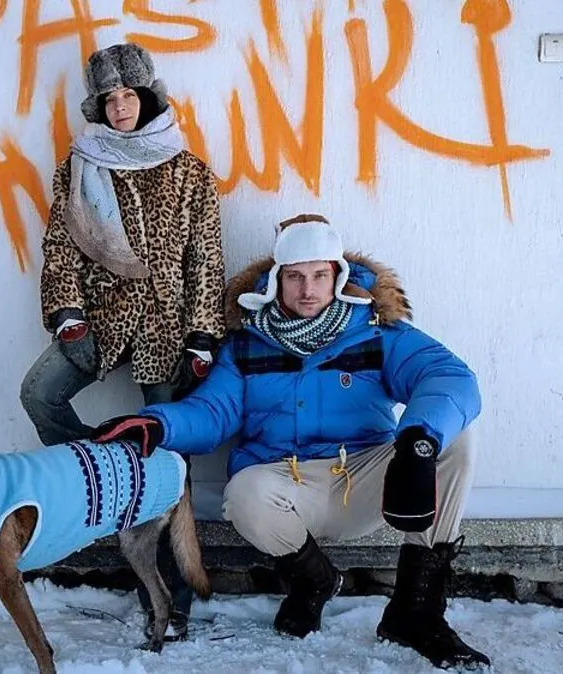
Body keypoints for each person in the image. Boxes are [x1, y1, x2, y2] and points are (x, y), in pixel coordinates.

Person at [93, 215, 490, 669]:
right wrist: (157, 425)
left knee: (455, 437)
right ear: (276, 280)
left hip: (364, 480)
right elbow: (213, 412)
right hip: (286, 486)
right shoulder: (246, 344)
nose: (308, 289)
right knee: (244, 492)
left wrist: (418, 439)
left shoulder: (378, 331)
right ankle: (313, 582)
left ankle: (415, 613)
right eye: (296, 277)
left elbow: (449, 378)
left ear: (337, 277)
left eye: (320, 275)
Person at [19, 42, 226, 639]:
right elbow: (60, 244)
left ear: (148, 97)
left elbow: (205, 259)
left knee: (169, 449)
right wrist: (68, 315)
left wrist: (204, 334)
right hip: (102, 317)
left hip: (166, 322)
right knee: (39, 394)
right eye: (108, 99)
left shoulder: (188, 170)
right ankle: (109, 481)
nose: (119, 108)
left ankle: (170, 586)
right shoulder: (83, 163)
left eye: (128, 95)